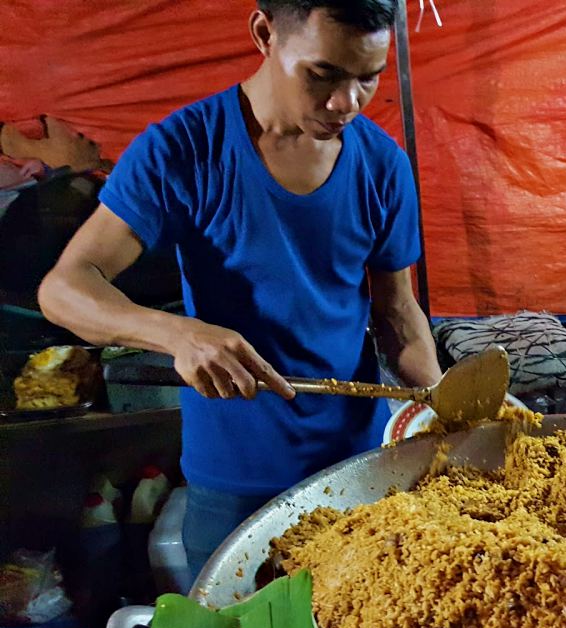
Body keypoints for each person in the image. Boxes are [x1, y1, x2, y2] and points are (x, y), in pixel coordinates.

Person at [38, 0, 442, 574]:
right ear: (264, 34)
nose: (346, 104)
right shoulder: (184, 149)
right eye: (323, 75)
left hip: (357, 468)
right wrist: (179, 334)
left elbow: (398, 315)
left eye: (367, 80)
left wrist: (453, 402)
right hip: (237, 480)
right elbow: (65, 287)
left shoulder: (382, 166)